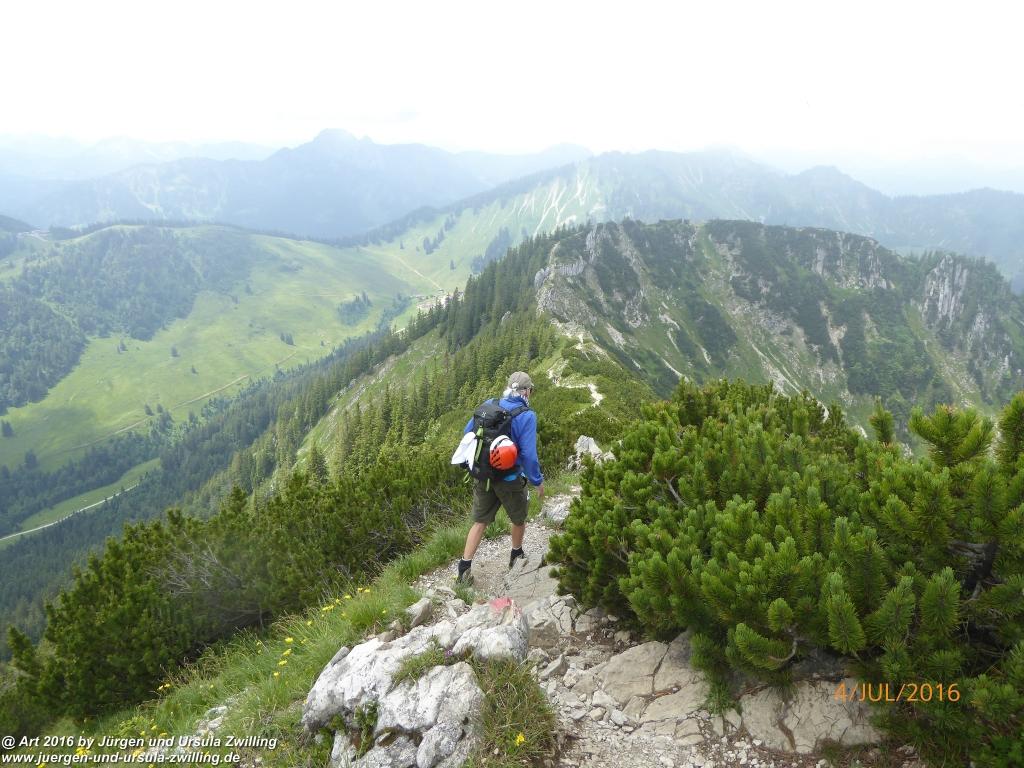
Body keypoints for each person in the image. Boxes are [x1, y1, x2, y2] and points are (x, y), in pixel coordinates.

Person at [456, 371, 544, 584]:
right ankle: (516, 556)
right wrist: (537, 481)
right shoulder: (526, 415)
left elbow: (468, 432)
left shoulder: (489, 404)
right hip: (510, 478)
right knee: (518, 518)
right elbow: (529, 455)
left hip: (484, 475)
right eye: (530, 389)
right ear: (527, 391)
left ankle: (464, 568)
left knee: (480, 521)